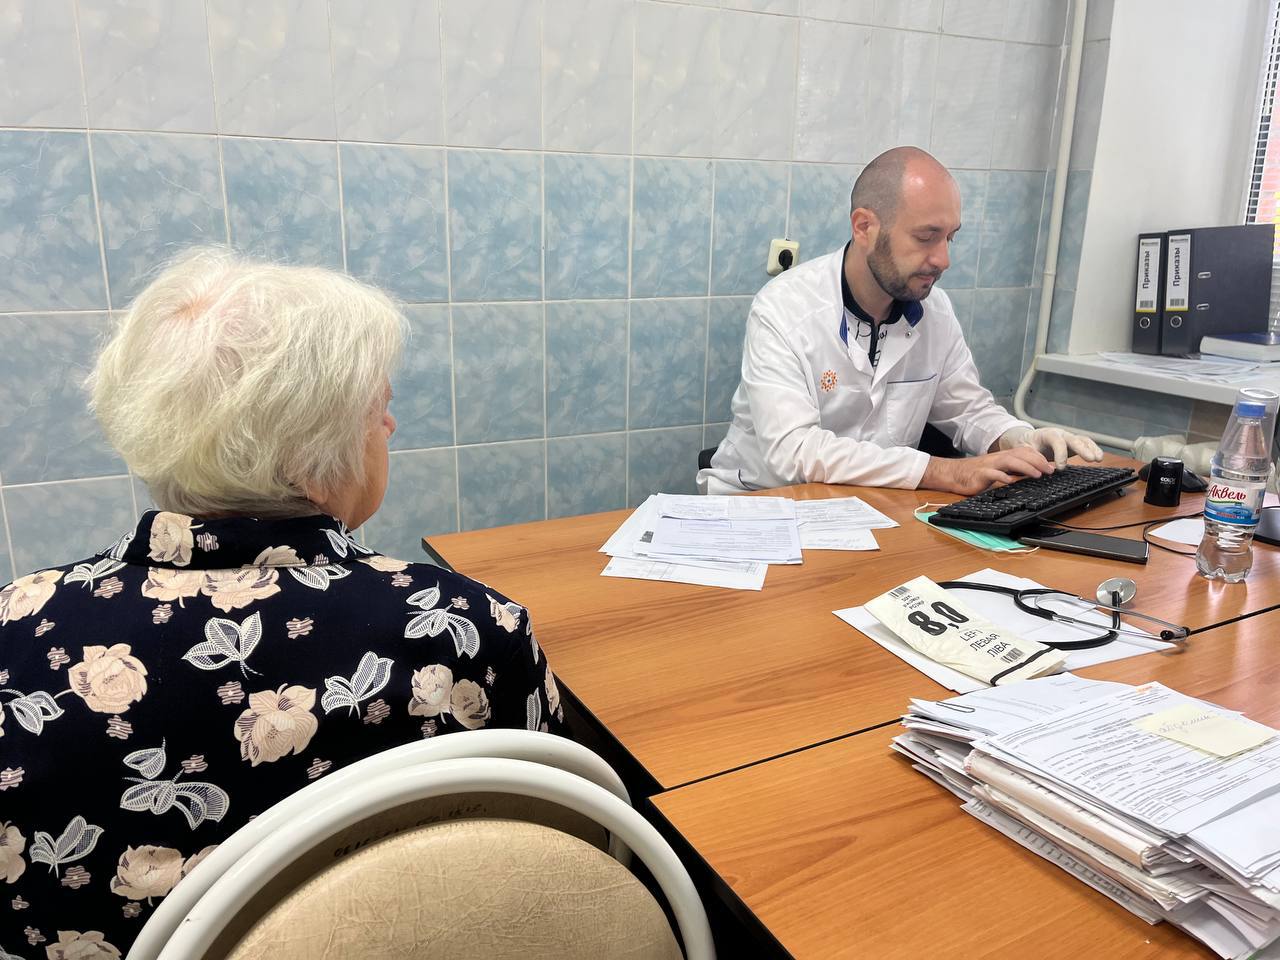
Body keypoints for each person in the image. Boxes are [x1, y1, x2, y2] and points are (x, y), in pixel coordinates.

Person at [0, 249, 564, 958]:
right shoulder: (468, 628)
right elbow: (563, 841)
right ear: (314, 457)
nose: (389, 428)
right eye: (379, 410)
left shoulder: (15, 623)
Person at [698, 146, 1103, 497]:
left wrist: (1021, 439)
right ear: (864, 227)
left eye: (950, 237)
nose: (943, 259)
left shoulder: (935, 311)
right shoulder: (785, 307)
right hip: (763, 503)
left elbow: (969, 410)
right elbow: (794, 452)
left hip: (874, 510)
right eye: (926, 237)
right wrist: (944, 471)